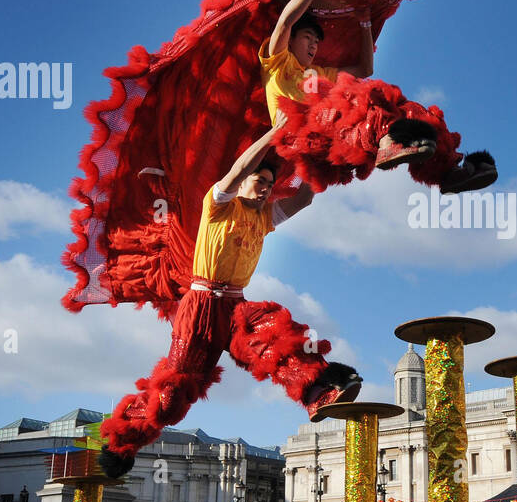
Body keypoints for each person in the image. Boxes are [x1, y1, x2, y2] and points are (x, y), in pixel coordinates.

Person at [98, 119, 361, 478]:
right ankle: (122, 440)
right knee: (174, 393)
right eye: (260, 181)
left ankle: (317, 393)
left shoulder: (264, 218)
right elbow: (238, 171)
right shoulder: (219, 204)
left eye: (271, 184)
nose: (266, 189)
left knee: (273, 338)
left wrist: (318, 155)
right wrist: (274, 135)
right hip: (202, 307)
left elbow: (303, 198)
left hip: (236, 305)